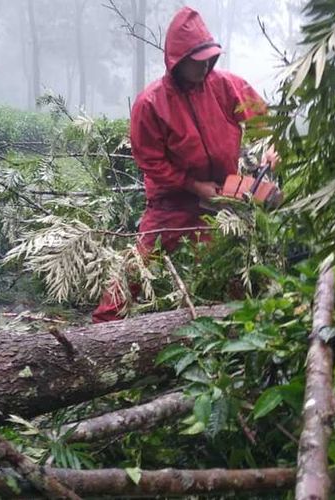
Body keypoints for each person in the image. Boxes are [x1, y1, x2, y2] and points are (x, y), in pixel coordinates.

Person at [92, 6, 277, 323]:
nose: (205, 65)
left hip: (224, 189)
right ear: (178, 60)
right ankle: (103, 327)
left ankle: (233, 326)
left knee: (228, 257)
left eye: (209, 58)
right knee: (142, 261)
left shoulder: (225, 85)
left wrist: (269, 146)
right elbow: (151, 161)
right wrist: (193, 186)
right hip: (173, 199)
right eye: (197, 60)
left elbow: (261, 117)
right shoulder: (151, 103)